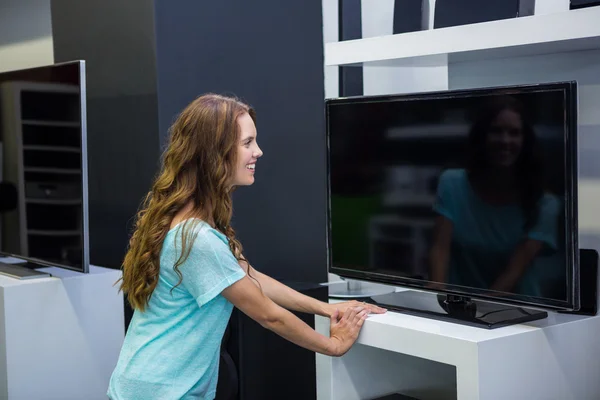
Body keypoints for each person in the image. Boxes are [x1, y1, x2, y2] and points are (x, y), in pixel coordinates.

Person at [106, 93, 386, 400]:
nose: (258, 152)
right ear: (216, 153)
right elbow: (269, 315)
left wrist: (326, 308)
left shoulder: (187, 218)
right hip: (162, 392)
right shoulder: (197, 239)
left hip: (147, 385)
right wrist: (332, 345)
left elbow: (246, 275)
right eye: (247, 143)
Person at [429, 95, 563, 297]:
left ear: (525, 140)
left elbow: (511, 274)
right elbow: (440, 249)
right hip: (455, 309)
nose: (505, 141)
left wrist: (475, 317)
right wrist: (436, 299)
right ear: (482, 136)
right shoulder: (452, 183)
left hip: (518, 315)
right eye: (496, 131)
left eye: (514, 133)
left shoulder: (545, 204)